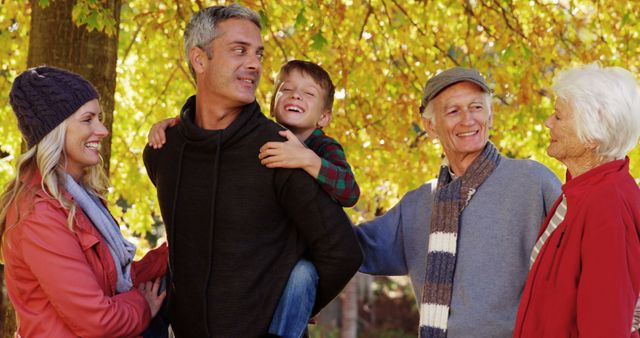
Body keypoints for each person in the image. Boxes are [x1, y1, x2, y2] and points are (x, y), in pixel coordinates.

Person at [142, 5, 363, 337]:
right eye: (239, 51)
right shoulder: (164, 150)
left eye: (258, 54)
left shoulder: (279, 152)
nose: (254, 64)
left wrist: (299, 305)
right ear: (199, 59)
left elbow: (343, 252)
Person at [354, 67, 562, 337]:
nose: (468, 119)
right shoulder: (417, 204)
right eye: (453, 111)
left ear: (490, 115)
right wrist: (311, 174)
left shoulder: (533, 181)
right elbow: (347, 247)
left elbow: (587, 258)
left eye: (476, 107)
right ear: (431, 126)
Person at [0, 66, 168, 337]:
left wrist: (175, 254)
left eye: (99, 118)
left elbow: (116, 281)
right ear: (56, 131)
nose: (101, 130)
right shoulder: (39, 213)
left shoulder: (80, 199)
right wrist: (143, 305)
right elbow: (98, 320)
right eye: (88, 119)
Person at [513, 63, 640, 337]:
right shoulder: (580, 191)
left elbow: (606, 327)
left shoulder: (608, 206)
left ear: (591, 136)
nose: (548, 122)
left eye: (558, 117)